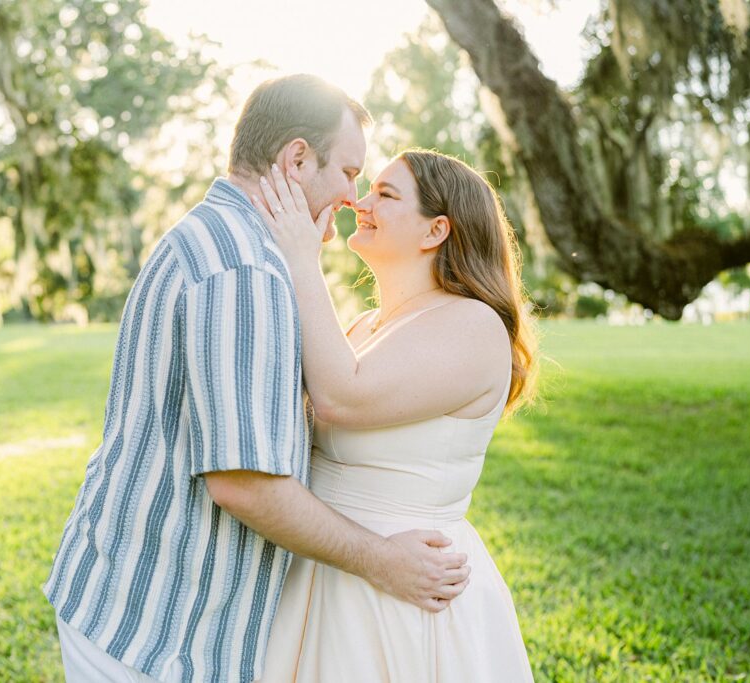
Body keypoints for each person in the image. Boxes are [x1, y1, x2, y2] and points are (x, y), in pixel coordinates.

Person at [43, 76, 471, 683]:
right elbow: (246, 484)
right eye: (349, 173)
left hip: (132, 600)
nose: (353, 198)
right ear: (296, 159)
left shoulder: (218, 236)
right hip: (159, 631)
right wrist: (382, 561)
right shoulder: (246, 272)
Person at [252, 150, 538, 682]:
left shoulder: (473, 325)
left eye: (384, 194)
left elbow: (341, 398)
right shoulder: (363, 327)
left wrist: (300, 258)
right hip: (327, 567)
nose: (358, 203)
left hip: (405, 590)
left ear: (435, 230)